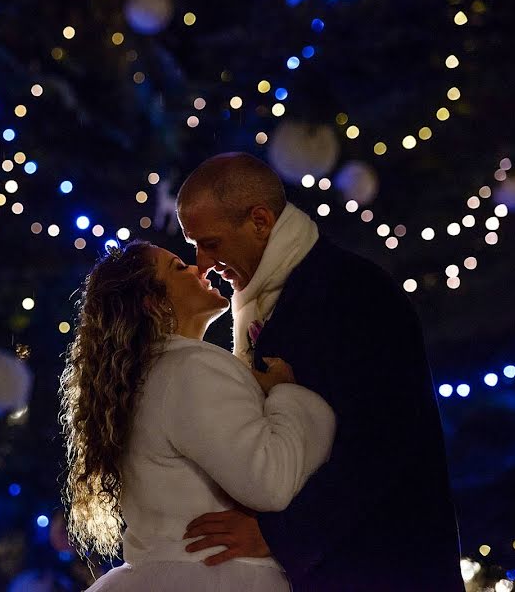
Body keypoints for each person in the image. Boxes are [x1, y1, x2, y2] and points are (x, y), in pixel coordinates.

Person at [177, 152, 464, 591]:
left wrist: (280, 532)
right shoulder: (271, 301)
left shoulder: (352, 291)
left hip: (384, 569)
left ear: (259, 222)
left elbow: (384, 441)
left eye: (211, 243)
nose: (202, 264)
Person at [60, 241, 336, 592]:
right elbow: (271, 482)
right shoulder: (191, 368)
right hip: (220, 574)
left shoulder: (140, 380)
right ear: (154, 302)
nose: (198, 268)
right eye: (178, 268)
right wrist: (288, 394)